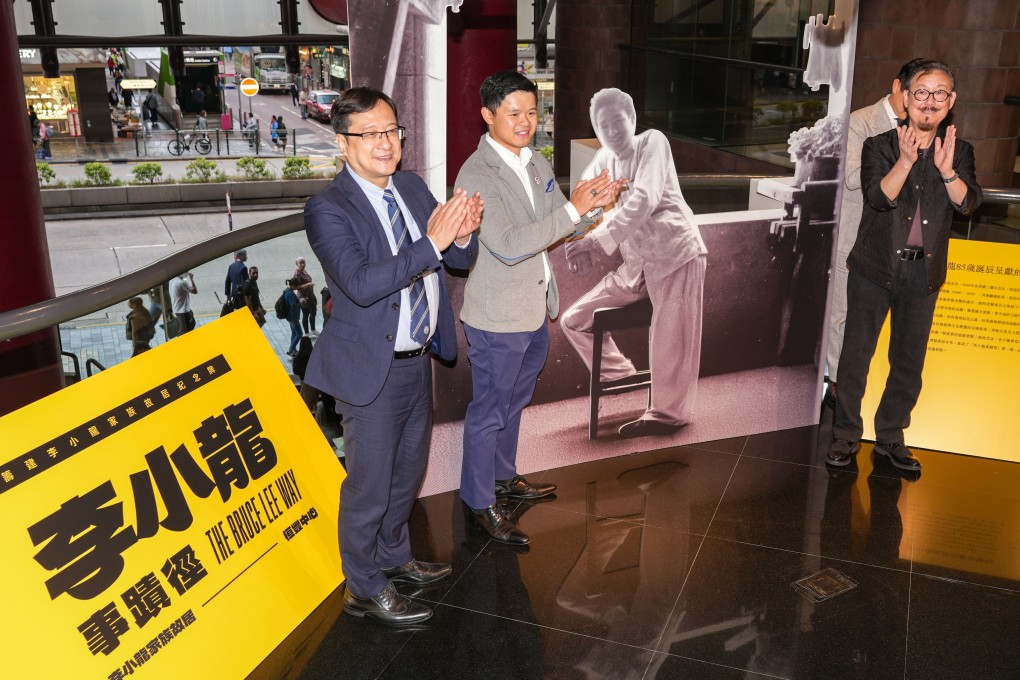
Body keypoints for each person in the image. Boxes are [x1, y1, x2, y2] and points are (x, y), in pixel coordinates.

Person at [302, 87, 481, 625]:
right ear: (343, 143)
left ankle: (394, 558)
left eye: (392, 131)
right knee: (369, 482)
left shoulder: (410, 185)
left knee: (406, 472)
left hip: (417, 356)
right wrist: (433, 243)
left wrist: (464, 235)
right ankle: (362, 584)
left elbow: (455, 259)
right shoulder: (327, 207)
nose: (386, 143)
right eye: (371, 133)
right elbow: (359, 283)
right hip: (369, 371)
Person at [455, 71, 623, 545]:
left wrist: (592, 209)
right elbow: (508, 245)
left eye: (532, 112)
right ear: (488, 116)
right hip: (497, 316)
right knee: (489, 410)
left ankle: (505, 479)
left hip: (534, 307)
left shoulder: (535, 162)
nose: (526, 121)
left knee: (515, 401)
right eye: (515, 113)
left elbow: (555, 228)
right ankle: (477, 499)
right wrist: (572, 210)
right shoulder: (475, 174)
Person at [827, 60, 981, 473]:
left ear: (950, 102)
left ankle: (891, 436)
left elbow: (968, 203)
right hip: (873, 268)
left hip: (922, 273)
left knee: (909, 360)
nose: (929, 101)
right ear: (906, 98)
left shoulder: (959, 150)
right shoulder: (879, 144)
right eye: (922, 93)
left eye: (939, 93)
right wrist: (906, 161)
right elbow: (878, 197)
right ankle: (844, 435)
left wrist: (948, 172)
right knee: (855, 357)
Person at [562, 88, 708, 438]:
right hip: (637, 266)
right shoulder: (603, 161)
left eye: (617, 122)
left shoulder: (652, 142)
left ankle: (667, 415)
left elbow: (645, 198)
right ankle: (619, 373)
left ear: (633, 119)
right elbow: (584, 201)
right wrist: (575, 239)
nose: (611, 131)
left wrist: (595, 242)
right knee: (574, 319)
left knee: (671, 337)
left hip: (677, 253)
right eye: (603, 126)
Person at [825, 59, 922, 406]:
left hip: (896, 244)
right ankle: (837, 388)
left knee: (878, 324)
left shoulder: (922, 128)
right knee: (842, 316)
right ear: (898, 87)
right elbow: (852, 179)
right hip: (855, 236)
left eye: (930, 94)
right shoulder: (861, 122)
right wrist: (894, 160)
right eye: (916, 92)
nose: (922, 102)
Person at [291, 256, 318, 335]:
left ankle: (313, 329)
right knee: (306, 314)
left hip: (310, 295)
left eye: (304, 262)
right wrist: (308, 284)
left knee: (313, 312)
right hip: (304, 297)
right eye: (301, 263)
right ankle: (306, 332)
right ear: (297, 264)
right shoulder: (297, 273)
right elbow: (297, 287)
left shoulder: (304, 270)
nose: (303, 264)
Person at [283, 278, 303, 356]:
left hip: (289, 317)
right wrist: (301, 302)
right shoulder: (290, 294)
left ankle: (294, 350)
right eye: (297, 286)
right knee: (299, 333)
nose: (297, 287)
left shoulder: (286, 291)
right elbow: (294, 306)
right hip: (293, 317)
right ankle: (291, 350)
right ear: (293, 285)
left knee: (294, 333)